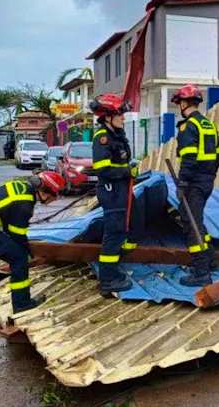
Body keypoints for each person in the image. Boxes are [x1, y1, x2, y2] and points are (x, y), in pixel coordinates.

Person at [0, 171, 66, 329]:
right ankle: (22, 304)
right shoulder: (25, 201)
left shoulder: (20, 188)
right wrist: (26, 251)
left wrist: (22, 245)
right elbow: (16, 234)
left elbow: (9, 225)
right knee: (19, 260)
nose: (54, 199)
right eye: (54, 195)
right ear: (44, 190)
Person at [172, 85, 219, 286]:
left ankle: (201, 272)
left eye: (180, 103)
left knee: (191, 224)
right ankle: (211, 262)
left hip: (193, 183)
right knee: (198, 222)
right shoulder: (208, 125)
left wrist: (182, 183)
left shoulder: (188, 127)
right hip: (206, 181)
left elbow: (189, 158)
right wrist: (208, 174)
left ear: (184, 103)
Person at [89, 94, 136, 294]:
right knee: (114, 233)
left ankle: (114, 270)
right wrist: (127, 172)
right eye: (119, 115)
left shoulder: (117, 135)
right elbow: (103, 169)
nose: (123, 118)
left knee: (121, 231)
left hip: (121, 189)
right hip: (112, 191)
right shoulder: (103, 138)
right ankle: (108, 279)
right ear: (107, 117)